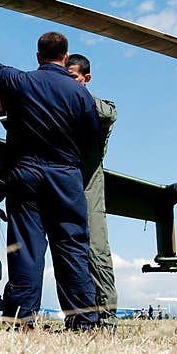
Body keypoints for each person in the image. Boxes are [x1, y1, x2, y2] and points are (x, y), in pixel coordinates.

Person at [0, 32, 102, 331]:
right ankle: (83, 322)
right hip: (65, 175)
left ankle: (22, 320)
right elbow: (93, 138)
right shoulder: (81, 94)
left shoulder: (22, 81)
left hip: (25, 173)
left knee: (26, 248)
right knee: (71, 247)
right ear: (66, 58)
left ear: (38, 56)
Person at [66, 53, 118, 329]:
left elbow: (109, 112)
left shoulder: (97, 110)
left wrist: (73, 93)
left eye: (72, 77)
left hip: (88, 193)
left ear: (86, 79)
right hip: (61, 192)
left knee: (96, 253)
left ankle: (107, 318)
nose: (66, 83)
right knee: (68, 259)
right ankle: (77, 317)